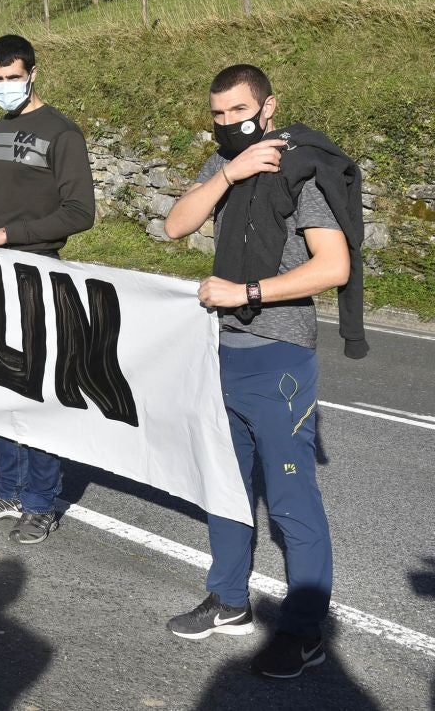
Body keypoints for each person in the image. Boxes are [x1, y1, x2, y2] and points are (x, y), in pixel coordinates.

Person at [163, 64, 360, 679]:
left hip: (279, 357)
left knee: (292, 500)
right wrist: (228, 170)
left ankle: (304, 633)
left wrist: (246, 290)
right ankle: (228, 601)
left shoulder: (299, 169)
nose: (227, 123)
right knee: (225, 486)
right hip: (220, 353)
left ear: (268, 106)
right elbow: (176, 225)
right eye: (217, 114)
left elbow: (333, 267)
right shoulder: (225, 163)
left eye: (238, 111)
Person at [0, 34, 95, 545]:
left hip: (37, 275)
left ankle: (40, 502)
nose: (5, 86)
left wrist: (7, 236)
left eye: (12, 77)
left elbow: (81, 213)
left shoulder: (62, 133)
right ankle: (7, 487)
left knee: (35, 393)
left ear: (33, 73)